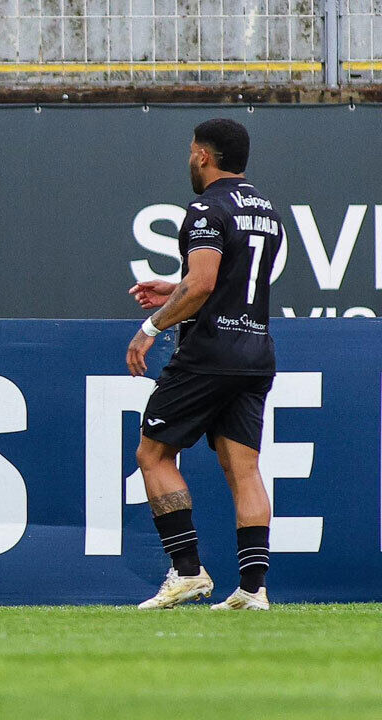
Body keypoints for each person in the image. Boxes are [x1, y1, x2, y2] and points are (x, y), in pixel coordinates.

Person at [126, 118, 282, 611]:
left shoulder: (204, 208)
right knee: (245, 469)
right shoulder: (267, 211)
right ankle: (253, 590)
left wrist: (151, 327)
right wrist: (174, 288)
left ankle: (187, 571)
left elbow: (205, 284)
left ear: (202, 155)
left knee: (153, 456)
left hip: (209, 353)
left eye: (191, 151)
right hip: (255, 351)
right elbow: (232, 282)